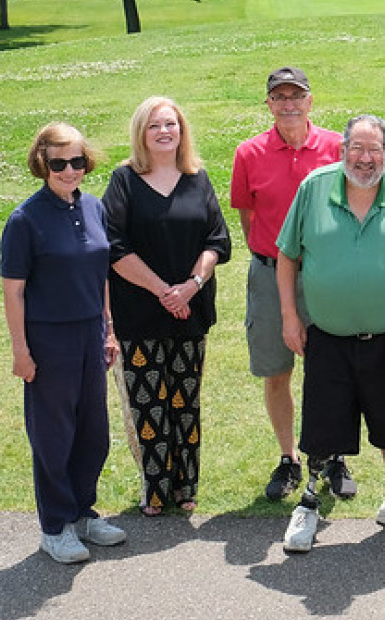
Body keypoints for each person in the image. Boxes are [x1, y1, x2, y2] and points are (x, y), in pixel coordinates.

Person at [277, 114, 385, 552]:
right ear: (342, 150)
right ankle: (310, 504)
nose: (366, 159)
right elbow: (286, 255)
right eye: (357, 148)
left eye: (375, 150)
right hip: (328, 335)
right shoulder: (314, 188)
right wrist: (290, 317)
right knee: (322, 424)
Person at [1, 122, 127, 563]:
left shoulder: (93, 207)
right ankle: (55, 526)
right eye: (59, 163)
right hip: (48, 339)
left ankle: (83, 513)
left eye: (77, 161)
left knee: (94, 433)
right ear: (42, 163)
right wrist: (21, 350)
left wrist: (109, 329)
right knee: (54, 435)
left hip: (91, 332)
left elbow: (102, 273)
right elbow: (13, 290)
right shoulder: (25, 219)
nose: (70, 170)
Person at [104, 96, 232, 516]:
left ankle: (185, 487)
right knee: (149, 404)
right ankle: (155, 490)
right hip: (139, 315)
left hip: (190, 313)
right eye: (154, 125)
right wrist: (164, 290)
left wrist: (191, 286)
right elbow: (114, 247)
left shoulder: (198, 178)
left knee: (185, 402)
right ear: (141, 133)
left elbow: (218, 240)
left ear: (182, 130)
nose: (164, 132)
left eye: (171, 124)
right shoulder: (123, 181)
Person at [229, 66, 347, 501]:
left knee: (330, 368)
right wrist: (271, 257)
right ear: (269, 105)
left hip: (324, 275)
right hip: (268, 272)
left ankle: (332, 455)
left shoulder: (337, 146)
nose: (289, 105)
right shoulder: (249, 153)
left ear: (310, 101)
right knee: (276, 370)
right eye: (279, 98)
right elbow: (247, 213)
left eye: (296, 96)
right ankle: (289, 458)